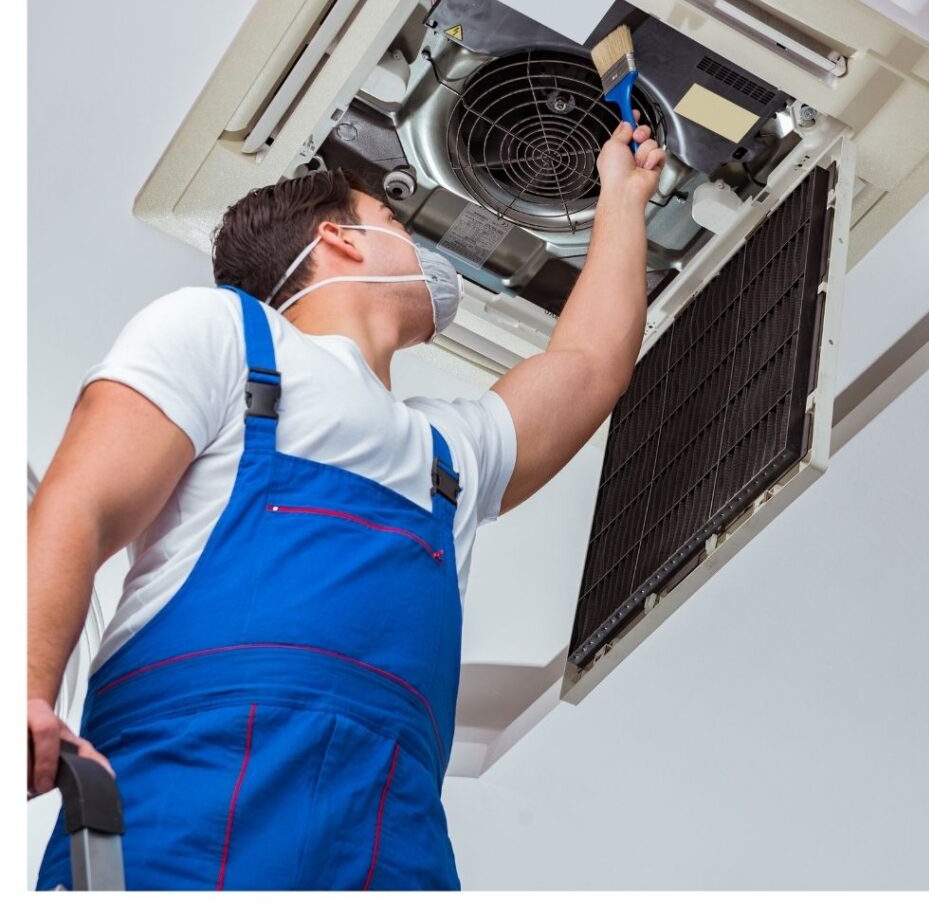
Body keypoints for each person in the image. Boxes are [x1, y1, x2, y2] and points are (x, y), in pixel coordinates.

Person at [28, 115, 666, 890]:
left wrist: (623, 199)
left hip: (390, 834)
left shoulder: (449, 452)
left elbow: (590, 365)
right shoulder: (226, 332)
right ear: (341, 239)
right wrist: (25, 690)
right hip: (188, 794)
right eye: (395, 222)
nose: (423, 253)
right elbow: (78, 506)